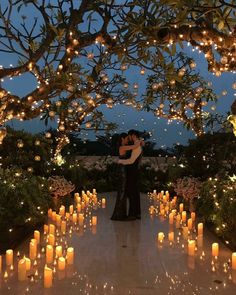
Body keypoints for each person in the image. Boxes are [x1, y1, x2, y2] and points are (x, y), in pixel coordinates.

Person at [111, 133, 143, 221]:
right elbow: (134, 147)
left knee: (123, 191)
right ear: (122, 139)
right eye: (126, 138)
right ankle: (119, 213)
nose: (128, 140)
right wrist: (139, 141)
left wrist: (139, 141)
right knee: (122, 190)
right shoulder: (122, 147)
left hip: (124, 168)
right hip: (122, 170)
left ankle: (121, 213)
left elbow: (133, 147)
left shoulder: (124, 146)